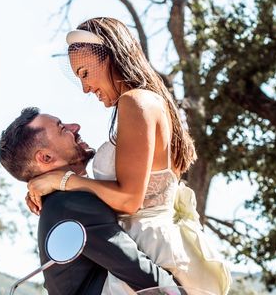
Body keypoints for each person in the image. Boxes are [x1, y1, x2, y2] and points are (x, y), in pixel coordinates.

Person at [26, 17, 232, 295]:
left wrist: (63, 181)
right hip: (151, 246)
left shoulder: (135, 102)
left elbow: (130, 199)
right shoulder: (144, 102)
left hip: (152, 251)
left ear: (109, 57)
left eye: (86, 73)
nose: (85, 88)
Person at [0, 107, 178, 295]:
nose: (75, 127)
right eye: (62, 128)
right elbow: (140, 273)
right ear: (46, 157)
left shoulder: (63, 200)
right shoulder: (70, 203)